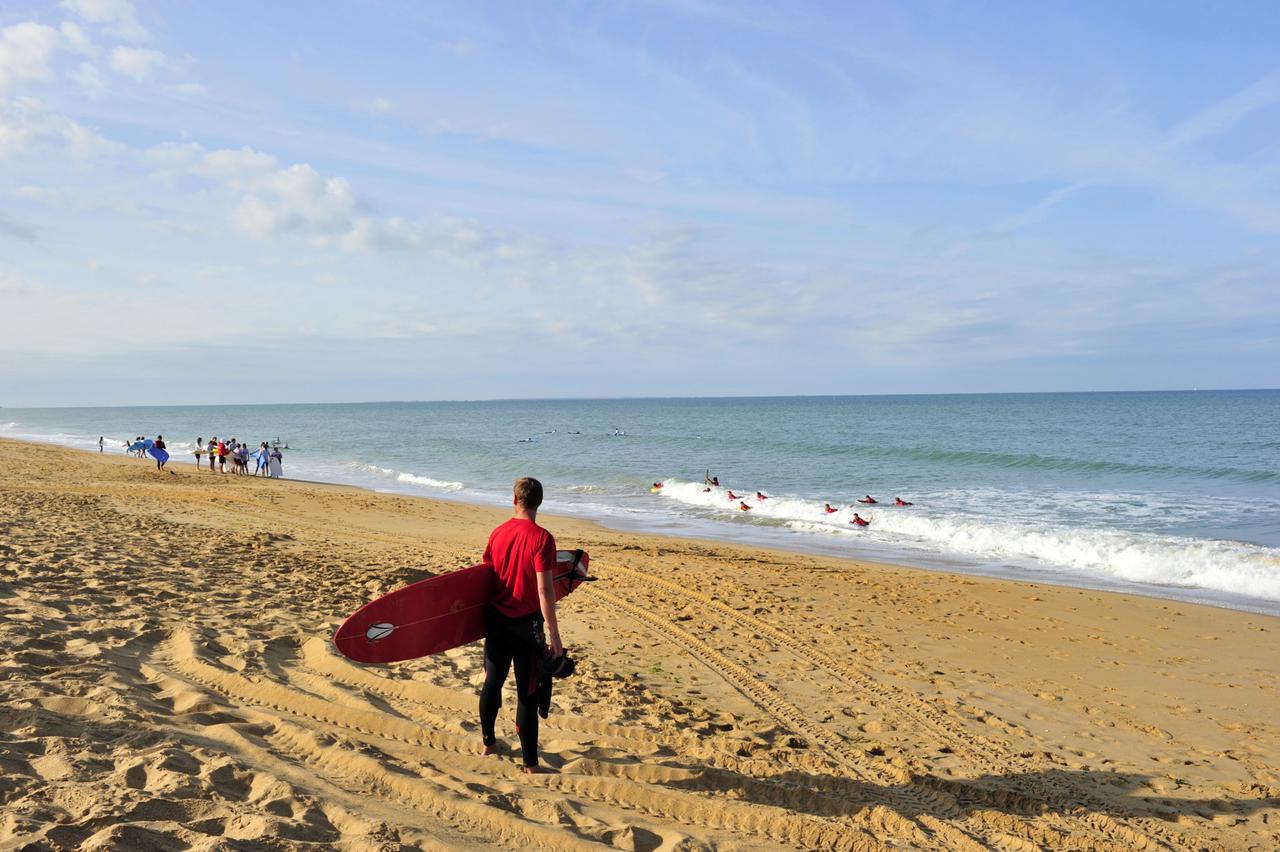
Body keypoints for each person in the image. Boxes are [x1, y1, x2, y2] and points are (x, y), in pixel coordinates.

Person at [479, 477, 562, 773]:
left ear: (514, 500)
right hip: (527, 627)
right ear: (539, 502)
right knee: (527, 691)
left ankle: (488, 743)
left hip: (497, 622)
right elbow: (544, 590)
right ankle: (530, 764)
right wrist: (554, 635)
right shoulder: (542, 538)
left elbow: (486, 574)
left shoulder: (497, 533)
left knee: (493, 681)